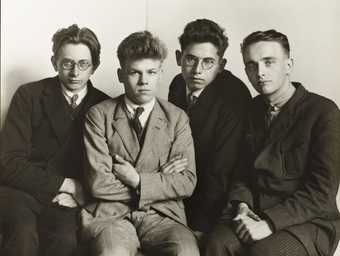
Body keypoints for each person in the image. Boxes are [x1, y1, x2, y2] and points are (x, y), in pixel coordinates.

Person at [204, 29, 340, 256]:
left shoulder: (324, 112)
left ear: (288, 65)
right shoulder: (252, 109)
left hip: (308, 221)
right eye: (251, 65)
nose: (260, 72)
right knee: (216, 243)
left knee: (265, 253)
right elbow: (241, 173)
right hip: (254, 212)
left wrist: (268, 224)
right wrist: (242, 206)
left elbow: (321, 192)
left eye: (269, 62)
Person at [81, 31, 199, 256]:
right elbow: (98, 183)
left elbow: (186, 183)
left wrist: (137, 179)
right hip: (112, 215)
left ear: (161, 74)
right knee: (112, 253)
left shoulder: (178, 118)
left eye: (151, 72)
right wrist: (158, 181)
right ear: (120, 74)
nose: (144, 81)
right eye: (135, 72)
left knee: (186, 252)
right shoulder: (98, 115)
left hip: (163, 215)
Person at [0, 24, 109, 256]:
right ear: (54, 62)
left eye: (83, 64)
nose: (74, 73)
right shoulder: (28, 95)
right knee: (22, 236)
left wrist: (81, 196)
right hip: (21, 192)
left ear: (95, 66)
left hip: (67, 202)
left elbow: (105, 169)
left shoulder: (104, 106)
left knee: (64, 241)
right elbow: (7, 163)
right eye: (67, 63)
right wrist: (67, 185)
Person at [168, 19, 252, 237]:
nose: (197, 70)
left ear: (221, 65)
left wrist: (196, 226)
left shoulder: (235, 96)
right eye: (191, 59)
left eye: (208, 62)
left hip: (218, 200)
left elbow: (221, 170)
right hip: (180, 187)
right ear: (179, 57)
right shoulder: (177, 84)